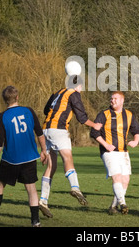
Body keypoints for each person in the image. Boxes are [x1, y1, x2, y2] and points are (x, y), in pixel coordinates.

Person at [0, 86, 48, 227]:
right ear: (17, 97)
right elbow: (40, 133)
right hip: (29, 157)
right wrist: (44, 151)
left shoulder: (3, 116)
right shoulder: (29, 111)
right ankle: (35, 222)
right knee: (31, 189)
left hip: (11, 159)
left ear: (5, 100)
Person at [39, 75, 102, 218]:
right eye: (81, 87)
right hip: (58, 130)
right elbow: (82, 117)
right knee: (67, 158)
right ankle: (75, 188)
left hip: (45, 130)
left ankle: (43, 200)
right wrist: (95, 125)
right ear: (78, 86)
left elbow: (45, 111)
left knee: (51, 167)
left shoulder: (57, 93)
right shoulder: (74, 94)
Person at [90, 91, 139, 215]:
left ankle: (113, 206)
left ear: (122, 101)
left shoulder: (129, 115)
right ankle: (123, 204)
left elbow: (137, 130)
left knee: (125, 180)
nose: (112, 100)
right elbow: (94, 132)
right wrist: (106, 144)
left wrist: (136, 141)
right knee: (117, 177)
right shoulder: (104, 114)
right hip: (108, 152)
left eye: (115, 98)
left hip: (123, 152)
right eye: (111, 98)